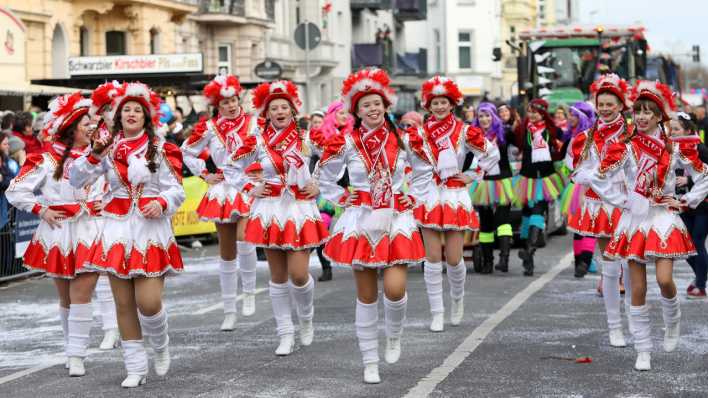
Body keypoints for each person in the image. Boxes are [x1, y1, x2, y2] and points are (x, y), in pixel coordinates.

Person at [579, 81, 708, 371]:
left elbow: (703, 175)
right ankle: (643, 349)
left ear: (659, 116)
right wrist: (622, 200)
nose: (641, 116)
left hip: (662, 216)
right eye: (637, 111)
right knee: (637, 287)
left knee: (664, 280)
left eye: (648, 112)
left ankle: (672, 322)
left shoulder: (674, 147)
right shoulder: (625, 147)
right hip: (634, 219)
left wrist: (686, 200)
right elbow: (599, 177)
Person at [69, 82, 185, 387]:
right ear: (118, 117)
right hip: (117, 229)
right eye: (126, 110)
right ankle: (135, 367)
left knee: (148, 302)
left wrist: (161, 203)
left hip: (150, 230)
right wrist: (93, 155)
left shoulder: (161, 148)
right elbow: (76, 178)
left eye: (137, 110)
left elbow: (176, 190)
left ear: (146, 117)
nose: (131, 113)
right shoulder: (106, 149)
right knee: (123, 303)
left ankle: (160, 344)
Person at [315, 68, 426, 383]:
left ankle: (393, 335)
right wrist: (341, 197)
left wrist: (412, 198)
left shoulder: (404, 138)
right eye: (366, 105)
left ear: (386, 105)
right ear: (356, 111)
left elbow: (425, 171)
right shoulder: (346, 142)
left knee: (394, 289)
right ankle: (369, 361)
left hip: (394, 217)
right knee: (366, 295)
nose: (372, 109)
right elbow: (324, 174)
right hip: (361, 217)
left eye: (377, 103)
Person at [224, 79, 328, 357]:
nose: (279, 111)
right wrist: (251, 188)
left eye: (284, 107)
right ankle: (285, 333)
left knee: (298, 273)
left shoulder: (307, 138)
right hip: (269, 208)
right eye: (274, 108)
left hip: (298, 209)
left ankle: (306, 317)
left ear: (293, 111)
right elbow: (231, 166)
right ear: (266, 113)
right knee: (278, 276)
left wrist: (320, 185)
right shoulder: (256, 141)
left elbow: (334, 157)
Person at [6, 93, 104, 377]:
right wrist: (41, 209)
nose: (92, 127)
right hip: (57, 231)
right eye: (86, 122)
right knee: (66, 298)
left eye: (92, 122)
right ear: (71, 126)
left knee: (82, 292)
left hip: (90, 229)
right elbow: (15, 190)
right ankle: (70, 347)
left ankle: (77, 355)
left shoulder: (100, 156)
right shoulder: (46, 159)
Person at [411, 77, 500, 332]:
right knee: (432, 257)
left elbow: (491, 153)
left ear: (452, 105)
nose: (439, 107)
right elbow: (408, 164)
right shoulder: (418, 134)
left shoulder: (463, 131)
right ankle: (436, 313)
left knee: (454, 258)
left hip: (454, 195)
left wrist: (473, 174)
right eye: (434, 102)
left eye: (443, 102)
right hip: (429, 195)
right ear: (428, 106)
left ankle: (457, 299)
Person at [181, 75, 260, 330]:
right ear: (218, 104)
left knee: (245, 238)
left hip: (247, 185)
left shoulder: (254, 124)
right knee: (226, 251)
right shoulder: (209, 127)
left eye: (234, 100)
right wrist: (205, 174)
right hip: (223, 187)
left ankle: (248, 292)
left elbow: (267, 149)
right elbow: (187, 150)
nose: (231, 105)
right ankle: (229, 309)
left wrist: (261, 171)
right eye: (225, 102)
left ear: (240, 100)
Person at [570, 74, 633, 347]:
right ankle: (614, 326)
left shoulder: (633, 133)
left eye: (611, 104)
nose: (605, 109)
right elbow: (577, 172)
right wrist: (596, 176)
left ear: (620, 104)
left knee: (631, 264)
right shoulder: (585, 137)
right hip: (601, 206)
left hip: (629, 205)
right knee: (610, 266)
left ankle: (633, 315)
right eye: (601, 104)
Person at [87, 81, 124, 351]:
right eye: (108, 108)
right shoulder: (93, 136)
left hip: (131, 213)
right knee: (102, 270)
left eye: (116, 108)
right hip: (98, 213)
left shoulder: (137, 135)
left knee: (132, 270)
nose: (113, 113)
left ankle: (134, 321)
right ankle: (110, 328)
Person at [513, 98, 565, 276]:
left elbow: (568, 144)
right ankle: (529, 260)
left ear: (543, 113)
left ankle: (529, 251)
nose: (532, 114)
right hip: (526, 180)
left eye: (536, 111)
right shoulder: (522, 130)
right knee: (527, 216)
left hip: (545, 181)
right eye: (530, 111)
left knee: (537, 212)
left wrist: (558, 155)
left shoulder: (552, 130)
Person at [308, 100, 355, 282]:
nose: (344, 116)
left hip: (349, 189)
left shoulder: (353, 135)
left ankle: (373, 263)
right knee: (323, 227)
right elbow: (313, 162)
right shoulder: (321, 135)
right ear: (331, 115)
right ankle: (325, 266)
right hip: (326, 191)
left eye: (346, 113)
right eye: (340, 112)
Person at [471, 102, 515, 273]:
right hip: (483, 183)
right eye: (481, 116)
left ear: (493, 116)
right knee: (486, 223)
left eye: (487, 115)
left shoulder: (504, 132)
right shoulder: (473, 136)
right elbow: (467, 158)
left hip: (502, 181)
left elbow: (522, 141)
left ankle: (504, 259)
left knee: (503, 221)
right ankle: (488, 262)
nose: (484, 119)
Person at [670, 112, 708, 299]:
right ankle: (701, 275)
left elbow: (706, 177)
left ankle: (700, 284)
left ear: (688, 130)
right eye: (671, 129)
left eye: (676, 129)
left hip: (703, 204)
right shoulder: (673, 148)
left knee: (698, 242)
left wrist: (688, 180)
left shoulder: (700, 149)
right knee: (687, 246)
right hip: (682, 203)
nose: (673, 132)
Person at [561, 102, 597, 278]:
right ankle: (579, 263)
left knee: (590, 225)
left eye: (573, 115)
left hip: (591, 186)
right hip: (575, 186)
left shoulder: (592, 137)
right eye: (569, 114)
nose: (569, 118)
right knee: (577, 225)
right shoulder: (571, 137)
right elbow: (566, 162)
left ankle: (586, 260)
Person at [0, 132, 19, 230]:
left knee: (6, 244)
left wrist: (3, 179)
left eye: (8, 144)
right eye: (5, 144)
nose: (8, 146)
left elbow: (13, 181)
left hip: (3, 214)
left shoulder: (6, 161)